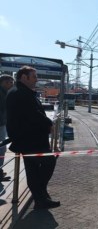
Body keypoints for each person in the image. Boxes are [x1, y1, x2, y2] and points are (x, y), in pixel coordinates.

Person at [6, 66, 60, 209]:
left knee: (33, 170)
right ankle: (40, 194)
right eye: (34, 76)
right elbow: (32, 114)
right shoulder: (19, 93)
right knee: (48, 163)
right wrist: (49, 123)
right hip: (30, 140)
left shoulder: (20, 91)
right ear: (24, 77)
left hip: (29, 139)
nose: (36, 80)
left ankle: (40, 198)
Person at [0, 74, 14, 179]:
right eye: (10, 82)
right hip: (0, 125)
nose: (12, 84)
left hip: (2, 124)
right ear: (4, 82)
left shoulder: (5, 93)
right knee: (1, 148)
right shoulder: (3, 94)